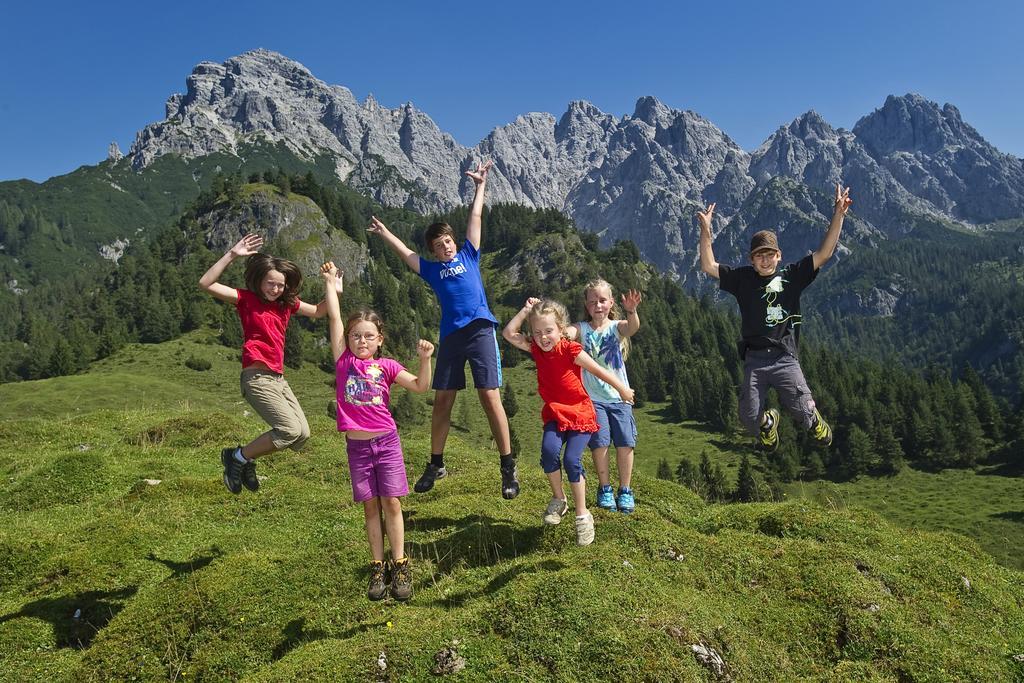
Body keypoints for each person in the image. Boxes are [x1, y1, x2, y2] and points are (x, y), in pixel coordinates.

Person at [367, 160, 518, 499]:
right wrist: (385, 232)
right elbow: (406, 254)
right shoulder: (433, 271)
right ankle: (436, 463)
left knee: (489, 397)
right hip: (451, 336)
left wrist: (481, 186)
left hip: (480, 331)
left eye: (448, 241)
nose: (447, 246)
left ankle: (508, 466)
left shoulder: (469, 255)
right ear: (433, 251)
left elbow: (475, 220)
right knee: (442, 402)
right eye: (440, 244)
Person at [697, 183, 853, 451]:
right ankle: (768, 423)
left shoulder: (792, 277)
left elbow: (825, 253)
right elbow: (708, 266)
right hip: (755, 359)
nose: (765, 260)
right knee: (747, 417)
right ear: (752, 259)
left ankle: (815, 421)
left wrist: (838, 214)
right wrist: (705, 231)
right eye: (759, 256)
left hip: (784, 356)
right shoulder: (743, 279)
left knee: (802, 409)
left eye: (769, 254)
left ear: (779, 256)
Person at [321, 261, 434, 601]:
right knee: (370, 508)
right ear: (348, 339)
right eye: (356, 335)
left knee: (392, 505)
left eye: (369, 336)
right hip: (357, 448)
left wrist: (425, 359)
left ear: (380, 339)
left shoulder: (386, 366)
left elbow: (420, 387)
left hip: (386, 443)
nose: (361, 341)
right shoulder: (344, 361)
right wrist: (330, 282)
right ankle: (377, 566)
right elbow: (334, 318)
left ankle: (399, 564)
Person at [199, 233, 334, 494]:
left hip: (278, 379)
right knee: (288, 429)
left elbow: (319, 311)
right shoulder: (246, 299)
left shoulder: (287, 305)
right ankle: (236, 457)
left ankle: (246, 458)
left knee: (301, 435)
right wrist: (232, 254)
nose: (275, 289)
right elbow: (205, 283)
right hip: (256, 377)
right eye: (270, 284)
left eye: (280, 285)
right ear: (259, 282)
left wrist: (333, 286)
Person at [503, 298, 635, 546]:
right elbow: (509, 333)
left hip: (580, 413)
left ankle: (583, 515)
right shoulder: (536, 350)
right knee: (549, 452)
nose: (543, 338)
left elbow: (598, 370)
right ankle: (559, 499)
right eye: (537, 332)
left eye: (549, 331)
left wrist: (622, 389)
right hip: (555, 413)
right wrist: (525, 310)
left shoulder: (570, 350)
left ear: (562, 330)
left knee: (572, 460)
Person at [566, 280, 642, 513]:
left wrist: (631, 311)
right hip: (593, 399)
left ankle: (625, 490)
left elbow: (632, 328)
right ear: (586, 306)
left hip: (620, 398)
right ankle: (605, 487)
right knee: (600, 444)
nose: (598, 305)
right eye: (592, 301)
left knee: (625, 444)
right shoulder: (582, 329)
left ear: (611, 303)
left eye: (602, 300)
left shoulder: (616, 326)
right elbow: (566, 333)